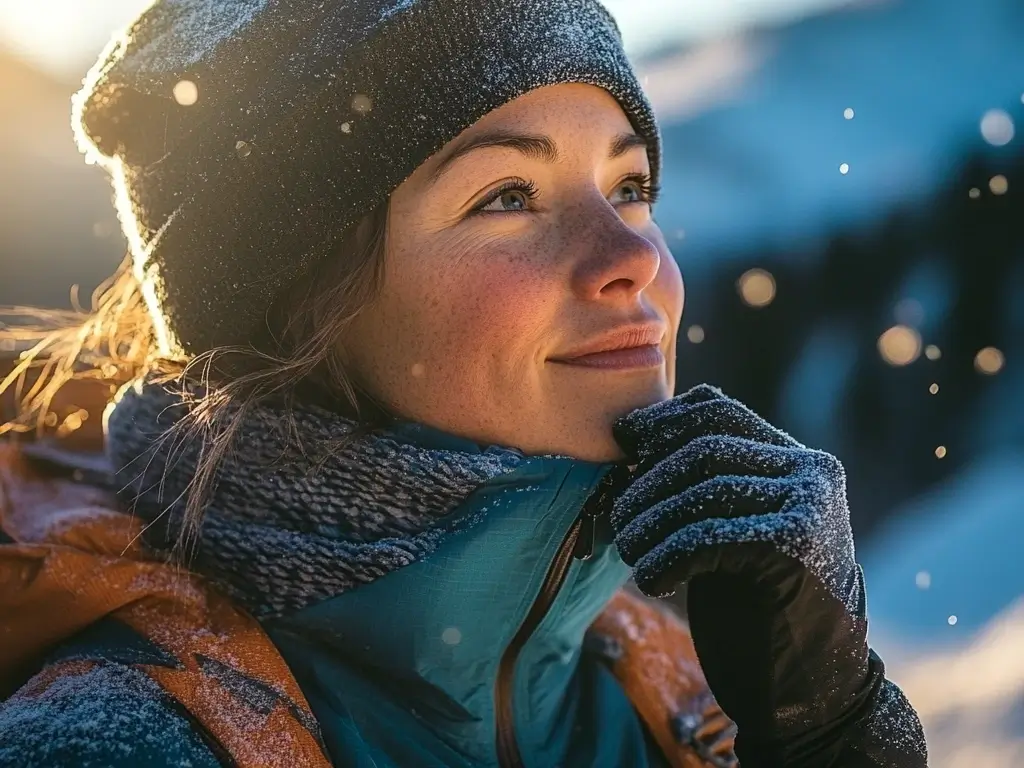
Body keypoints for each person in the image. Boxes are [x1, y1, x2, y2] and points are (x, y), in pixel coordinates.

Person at [0, 1, 927, 766]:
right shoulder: (125, 743)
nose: (632, 258)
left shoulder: (670, 690)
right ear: (297, 314)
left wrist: (836, 731)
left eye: (632, 186)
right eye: (508, 197)